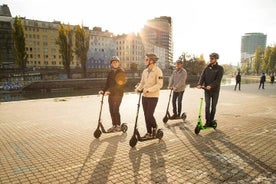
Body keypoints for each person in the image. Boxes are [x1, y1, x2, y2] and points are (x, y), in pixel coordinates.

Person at [135, 53, 163, 138]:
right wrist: (138, 88)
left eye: (147, 59)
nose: (145, 61)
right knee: (145, 115)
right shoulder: (145, 71)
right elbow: (142, 83)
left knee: (149, 115)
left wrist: (149, 90)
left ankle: (155, 127)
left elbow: (159, 85)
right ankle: (149, 133)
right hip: (144, 96)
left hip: (153, 97)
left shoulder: (158, 71)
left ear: (151, 61)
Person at [99, 56, 127, 132]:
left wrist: (110, 91)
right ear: (111, 64)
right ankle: (114, 125)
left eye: (116, 62)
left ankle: (118, 125)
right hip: (111, 95)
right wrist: (103, 90)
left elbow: (119, 84)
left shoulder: (121, 71)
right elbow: (107, 83)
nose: (115, 63)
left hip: (118, 95)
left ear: (118, 63)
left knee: (115, 110)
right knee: (111, 110)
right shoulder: (111, 72)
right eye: (113, 62)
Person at [196, 52, 224, 127]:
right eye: (210, 58)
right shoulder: (206, 68)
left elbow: (218, 80)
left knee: (213, 107)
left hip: (215, 91)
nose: (210, 59)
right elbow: (202, 77)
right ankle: (207, 122)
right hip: (207, 91)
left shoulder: (220, 69)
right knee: (207, 106)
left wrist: (211, 86)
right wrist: (199, 84)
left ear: (216, 59)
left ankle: (211, 121)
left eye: (212, 58)